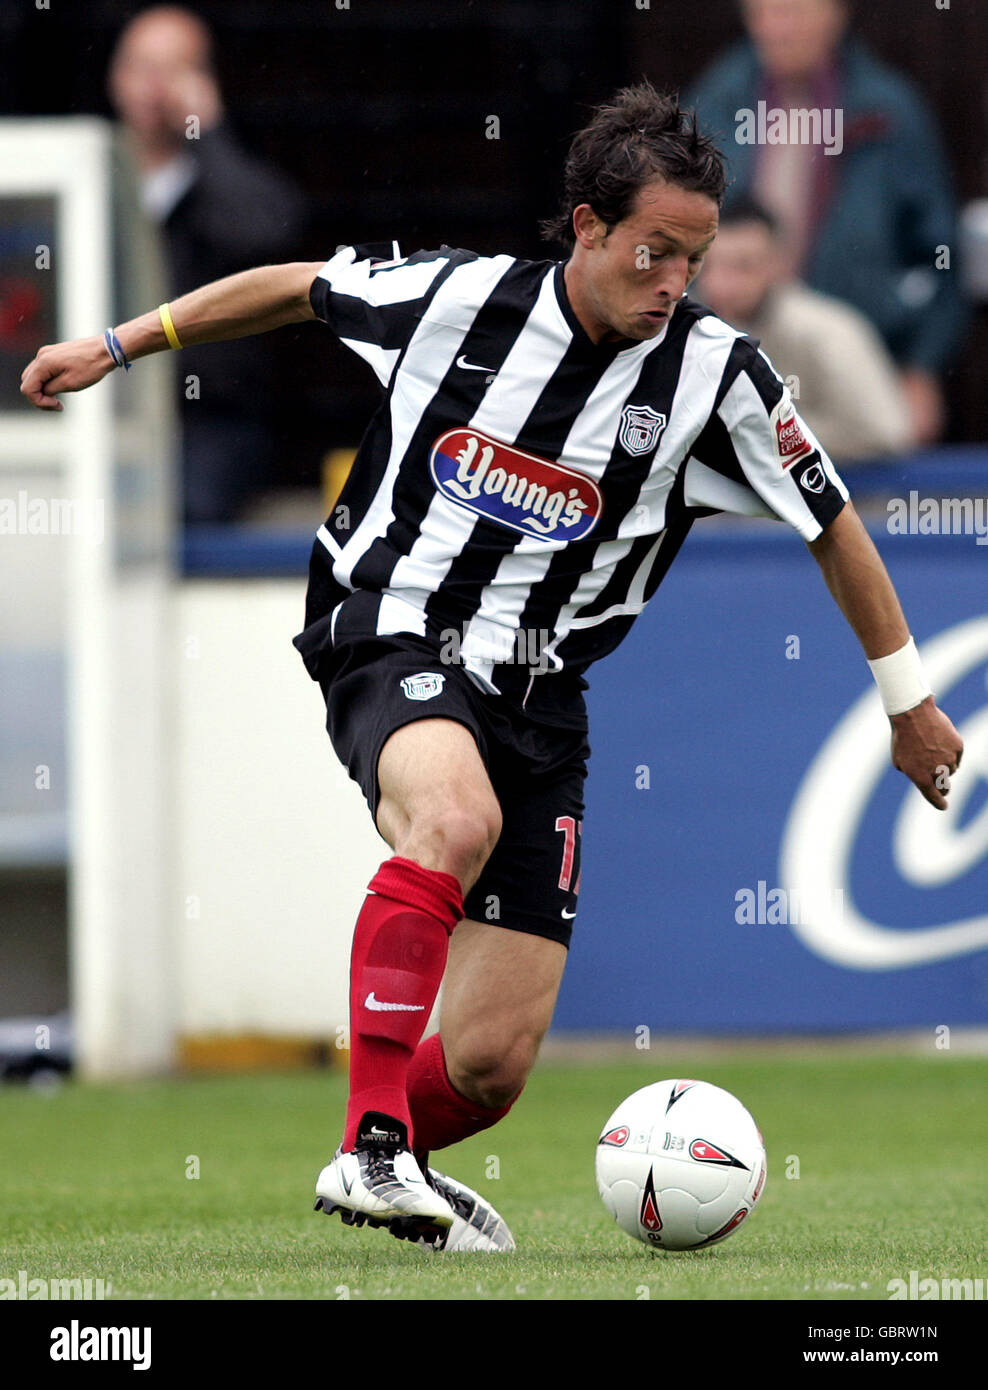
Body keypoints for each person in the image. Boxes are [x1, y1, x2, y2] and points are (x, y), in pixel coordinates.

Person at [20, 84, 963, 1253]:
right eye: (653, 252)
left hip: (544, 696)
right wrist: (118, 343)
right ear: (584, 227)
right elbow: (295, 286)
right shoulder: (456, 299)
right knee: (450, 820)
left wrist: (907, 700)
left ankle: (387, 1147)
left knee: (490, 1061)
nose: (674, 282)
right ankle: (373, 1149)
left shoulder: (719, 380)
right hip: (390, 624)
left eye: (694, 258)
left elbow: (835, 526)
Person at [686, 0, 967, 446]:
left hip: (857, 350)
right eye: (761, 13)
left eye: (792, 12)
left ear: (836, 13)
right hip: (732, 339)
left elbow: (938, 253)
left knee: (867, 444)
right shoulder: (715, 100)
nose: (775, 29)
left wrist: (920, 366)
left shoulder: (888, 109)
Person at [108, 5, 306, 523]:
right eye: (140, 67)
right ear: (115, 77)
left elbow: (261, 234)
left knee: (183, 510)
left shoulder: (228, 180)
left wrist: (207, 130)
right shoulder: (91, 184)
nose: (154, 87)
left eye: (174, 70)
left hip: (209, 424)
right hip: (101, 414)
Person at [696, 198, 915, 462]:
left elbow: (884, 431)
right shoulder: (687, 328)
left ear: (779, 264)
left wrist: (756, 432)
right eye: (708, 266)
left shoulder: (827, 332)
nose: (721, 283)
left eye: (743, 266)